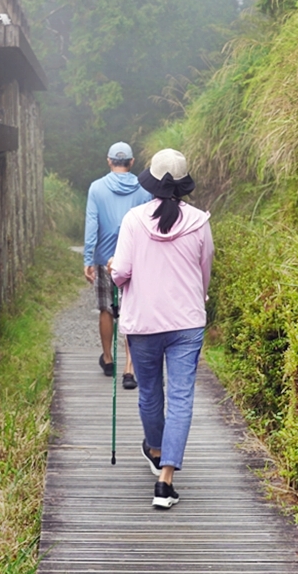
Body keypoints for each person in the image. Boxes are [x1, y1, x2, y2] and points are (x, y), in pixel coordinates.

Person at [109, 148, 213, 510]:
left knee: (150, 393)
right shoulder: (200, 221)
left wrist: (113, 270)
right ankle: (165, 480)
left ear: (151, 182)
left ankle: (154, 448)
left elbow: (121, 272)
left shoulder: (134, 220)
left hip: (144, 323)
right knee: (181, 397)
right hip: (187, 322)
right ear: (184, 185)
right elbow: (204, 274)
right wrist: (195, 303)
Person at [83, 142, 150, 388]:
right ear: (132, 162)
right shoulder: (144, 189)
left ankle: (108, 360)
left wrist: (88, 258)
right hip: (134, 259)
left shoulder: (96, 188)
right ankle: (129, 369)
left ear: (109, 161)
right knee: (131, 311)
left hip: (103, 258)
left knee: (106, 310)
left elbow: (92, 225)